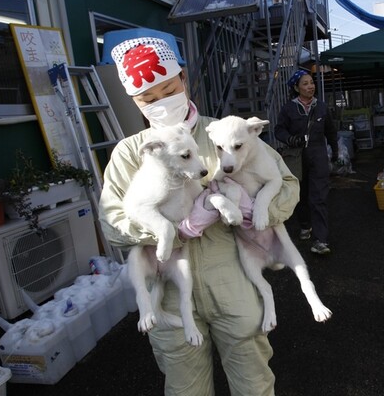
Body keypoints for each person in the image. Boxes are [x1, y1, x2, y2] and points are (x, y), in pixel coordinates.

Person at [98, 35, 300, 395]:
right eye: (149, 99)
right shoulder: (131, 153)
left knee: (254, 384)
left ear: (184, 79)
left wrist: (259, 211)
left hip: (233, 280)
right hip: (172, 290)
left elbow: (286, 183)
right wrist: (178, 230)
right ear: (135, 101)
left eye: (168, 89)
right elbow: (113, 222)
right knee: (185, 389)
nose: (161, 103)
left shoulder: (222, 132)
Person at [274, 70, 339, 255]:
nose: (310, 86)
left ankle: (321, 240)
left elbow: (331, 132)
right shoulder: (288, 109)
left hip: (318, 156)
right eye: (305, 83)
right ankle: (305, 225)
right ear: (296, 88)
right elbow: (279, 130)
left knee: (318, 198)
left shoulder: (322, 107)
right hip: (296, 157)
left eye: (311, 82)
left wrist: (335, 152)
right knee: (300, 195)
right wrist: (291, 139)